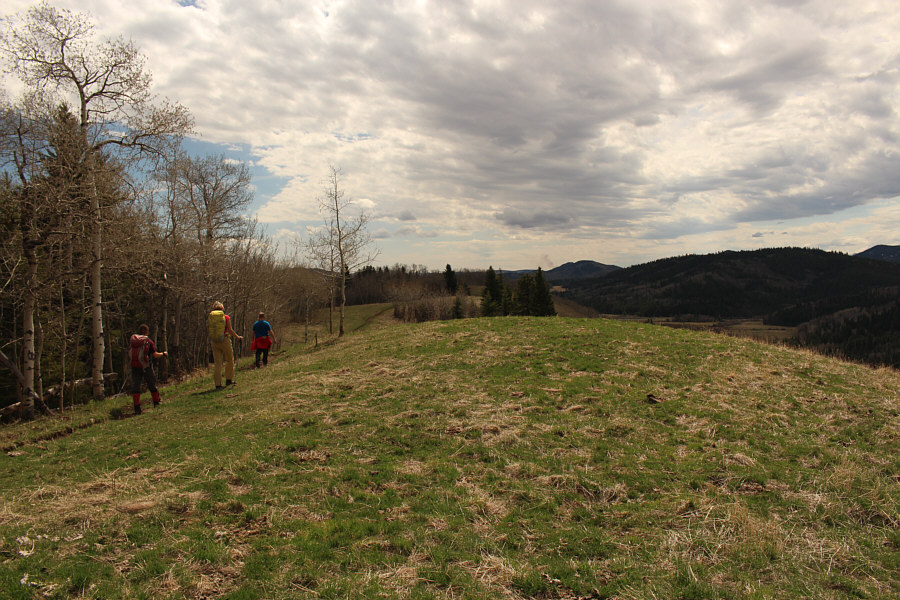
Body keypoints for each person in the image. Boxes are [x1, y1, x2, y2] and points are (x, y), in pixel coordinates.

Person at [130, 324, 167, 415]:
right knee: (152, 383)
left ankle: (137, 408)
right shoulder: (148, 341)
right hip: (146, 366)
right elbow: (155, 355)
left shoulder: (133, 341)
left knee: (136, 386)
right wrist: (163, 354)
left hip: (135, 366)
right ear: (146, 331)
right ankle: (156, 402)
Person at [208, 301, 243, 390]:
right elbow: (230, 330)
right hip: (225, 340)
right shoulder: (225, 317)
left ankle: (218, 384)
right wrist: (237, 337)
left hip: (214, 341)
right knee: (229, 360)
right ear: (222, 309)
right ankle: (228, 379)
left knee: (218, 364)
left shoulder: (211, 317)